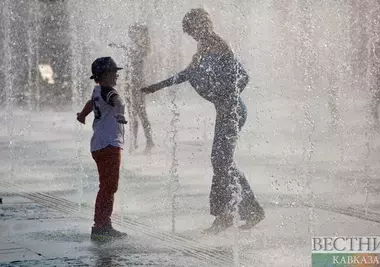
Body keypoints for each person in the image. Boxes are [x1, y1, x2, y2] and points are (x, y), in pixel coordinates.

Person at [141, 8, 265, 233]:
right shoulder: (203, 48)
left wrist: (228, 97)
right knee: (221, 162)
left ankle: (229, 215)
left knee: (221, 161)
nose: (193, 36)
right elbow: (187, 74)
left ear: (202, 25)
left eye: (193, 31)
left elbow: (243, 76)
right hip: (226, 111)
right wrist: (157, 86)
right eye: (190, 34)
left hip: (232, 111)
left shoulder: (220, 46)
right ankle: (242, 211)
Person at [76, 57, 128, 241]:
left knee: (107, 186)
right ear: (106, 75)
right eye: (115, 72)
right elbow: (119, 102)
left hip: (99, 145)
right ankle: (101, 226)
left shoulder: (98, 90)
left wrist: (82, 114)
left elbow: (91, 104)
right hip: (109, 145)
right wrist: (120, 115)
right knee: (109, 187)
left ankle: (103, 224)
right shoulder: (109, 91)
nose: (117, 75)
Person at [109, 23, 155, 153]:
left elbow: (133, 51)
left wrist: (120, 46)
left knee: (141, 113)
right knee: (131, 113)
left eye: (135, 32)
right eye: (132, 32)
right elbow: (129, 50)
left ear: (141, 34)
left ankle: (149, 141)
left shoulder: (143, 48)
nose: (132, 35)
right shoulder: (135, 47)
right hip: (130, 84)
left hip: (138, 85)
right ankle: (134, 143)